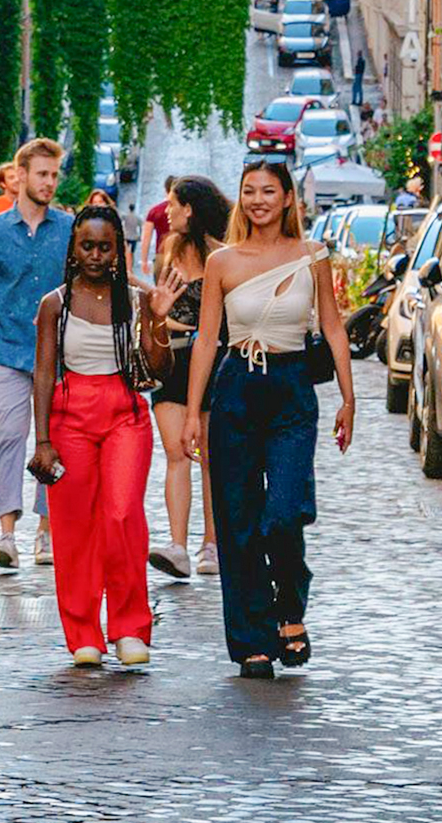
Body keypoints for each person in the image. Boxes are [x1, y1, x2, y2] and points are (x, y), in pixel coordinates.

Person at [182, 160, 355, 679]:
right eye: (249, 191)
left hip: (291, 389)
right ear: (241, 199)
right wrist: (193, 412)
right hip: (236, 387)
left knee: (284, 511)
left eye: (269, 191)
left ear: (286, 199)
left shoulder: (311, 256)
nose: (258, 199)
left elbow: (332, 324)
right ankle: (253, 641)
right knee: (237, 520)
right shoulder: (222, 262)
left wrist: (349, 398)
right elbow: (207, 339)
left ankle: (290, 609)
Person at [28, 206, 175, 666]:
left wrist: (159, 320)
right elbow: (43, 373)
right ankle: (83, 633)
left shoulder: (135, 300)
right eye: (86, 245)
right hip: (69, 416)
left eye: (104, 246)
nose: (95, 255)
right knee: (73, 526)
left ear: (118, 250)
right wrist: (43, 440)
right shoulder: (54, 303)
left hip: (124, 414)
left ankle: (131, 626)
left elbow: (158, 369)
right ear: (73, 247)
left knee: (121, 514)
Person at [0, 138, 72, 570]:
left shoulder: (67, 228)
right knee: (8, 436)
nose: (49, 183)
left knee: (54, 441)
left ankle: (46, 530)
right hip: (7, 351)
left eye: (54, 175)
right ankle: (7, 532)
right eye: (43, 174)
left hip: (59, 356)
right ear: (20, 176)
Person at [144, 176, 231, 579]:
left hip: (214, 364)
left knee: (212, 459)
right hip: (173, 362)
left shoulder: (223, 255)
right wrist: (164, 320)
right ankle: (178, 545)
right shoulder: (169, 251)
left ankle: (211, 545)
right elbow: (164, 310)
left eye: (173, 204)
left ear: (190, 209)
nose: (167, 211)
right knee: (177, 452)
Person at [139, 176, 176, 276]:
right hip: (180, 254)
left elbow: (146, 238)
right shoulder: (183, 210)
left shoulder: (154, 211)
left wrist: (144, 260)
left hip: (161, 255)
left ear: (165, 189)